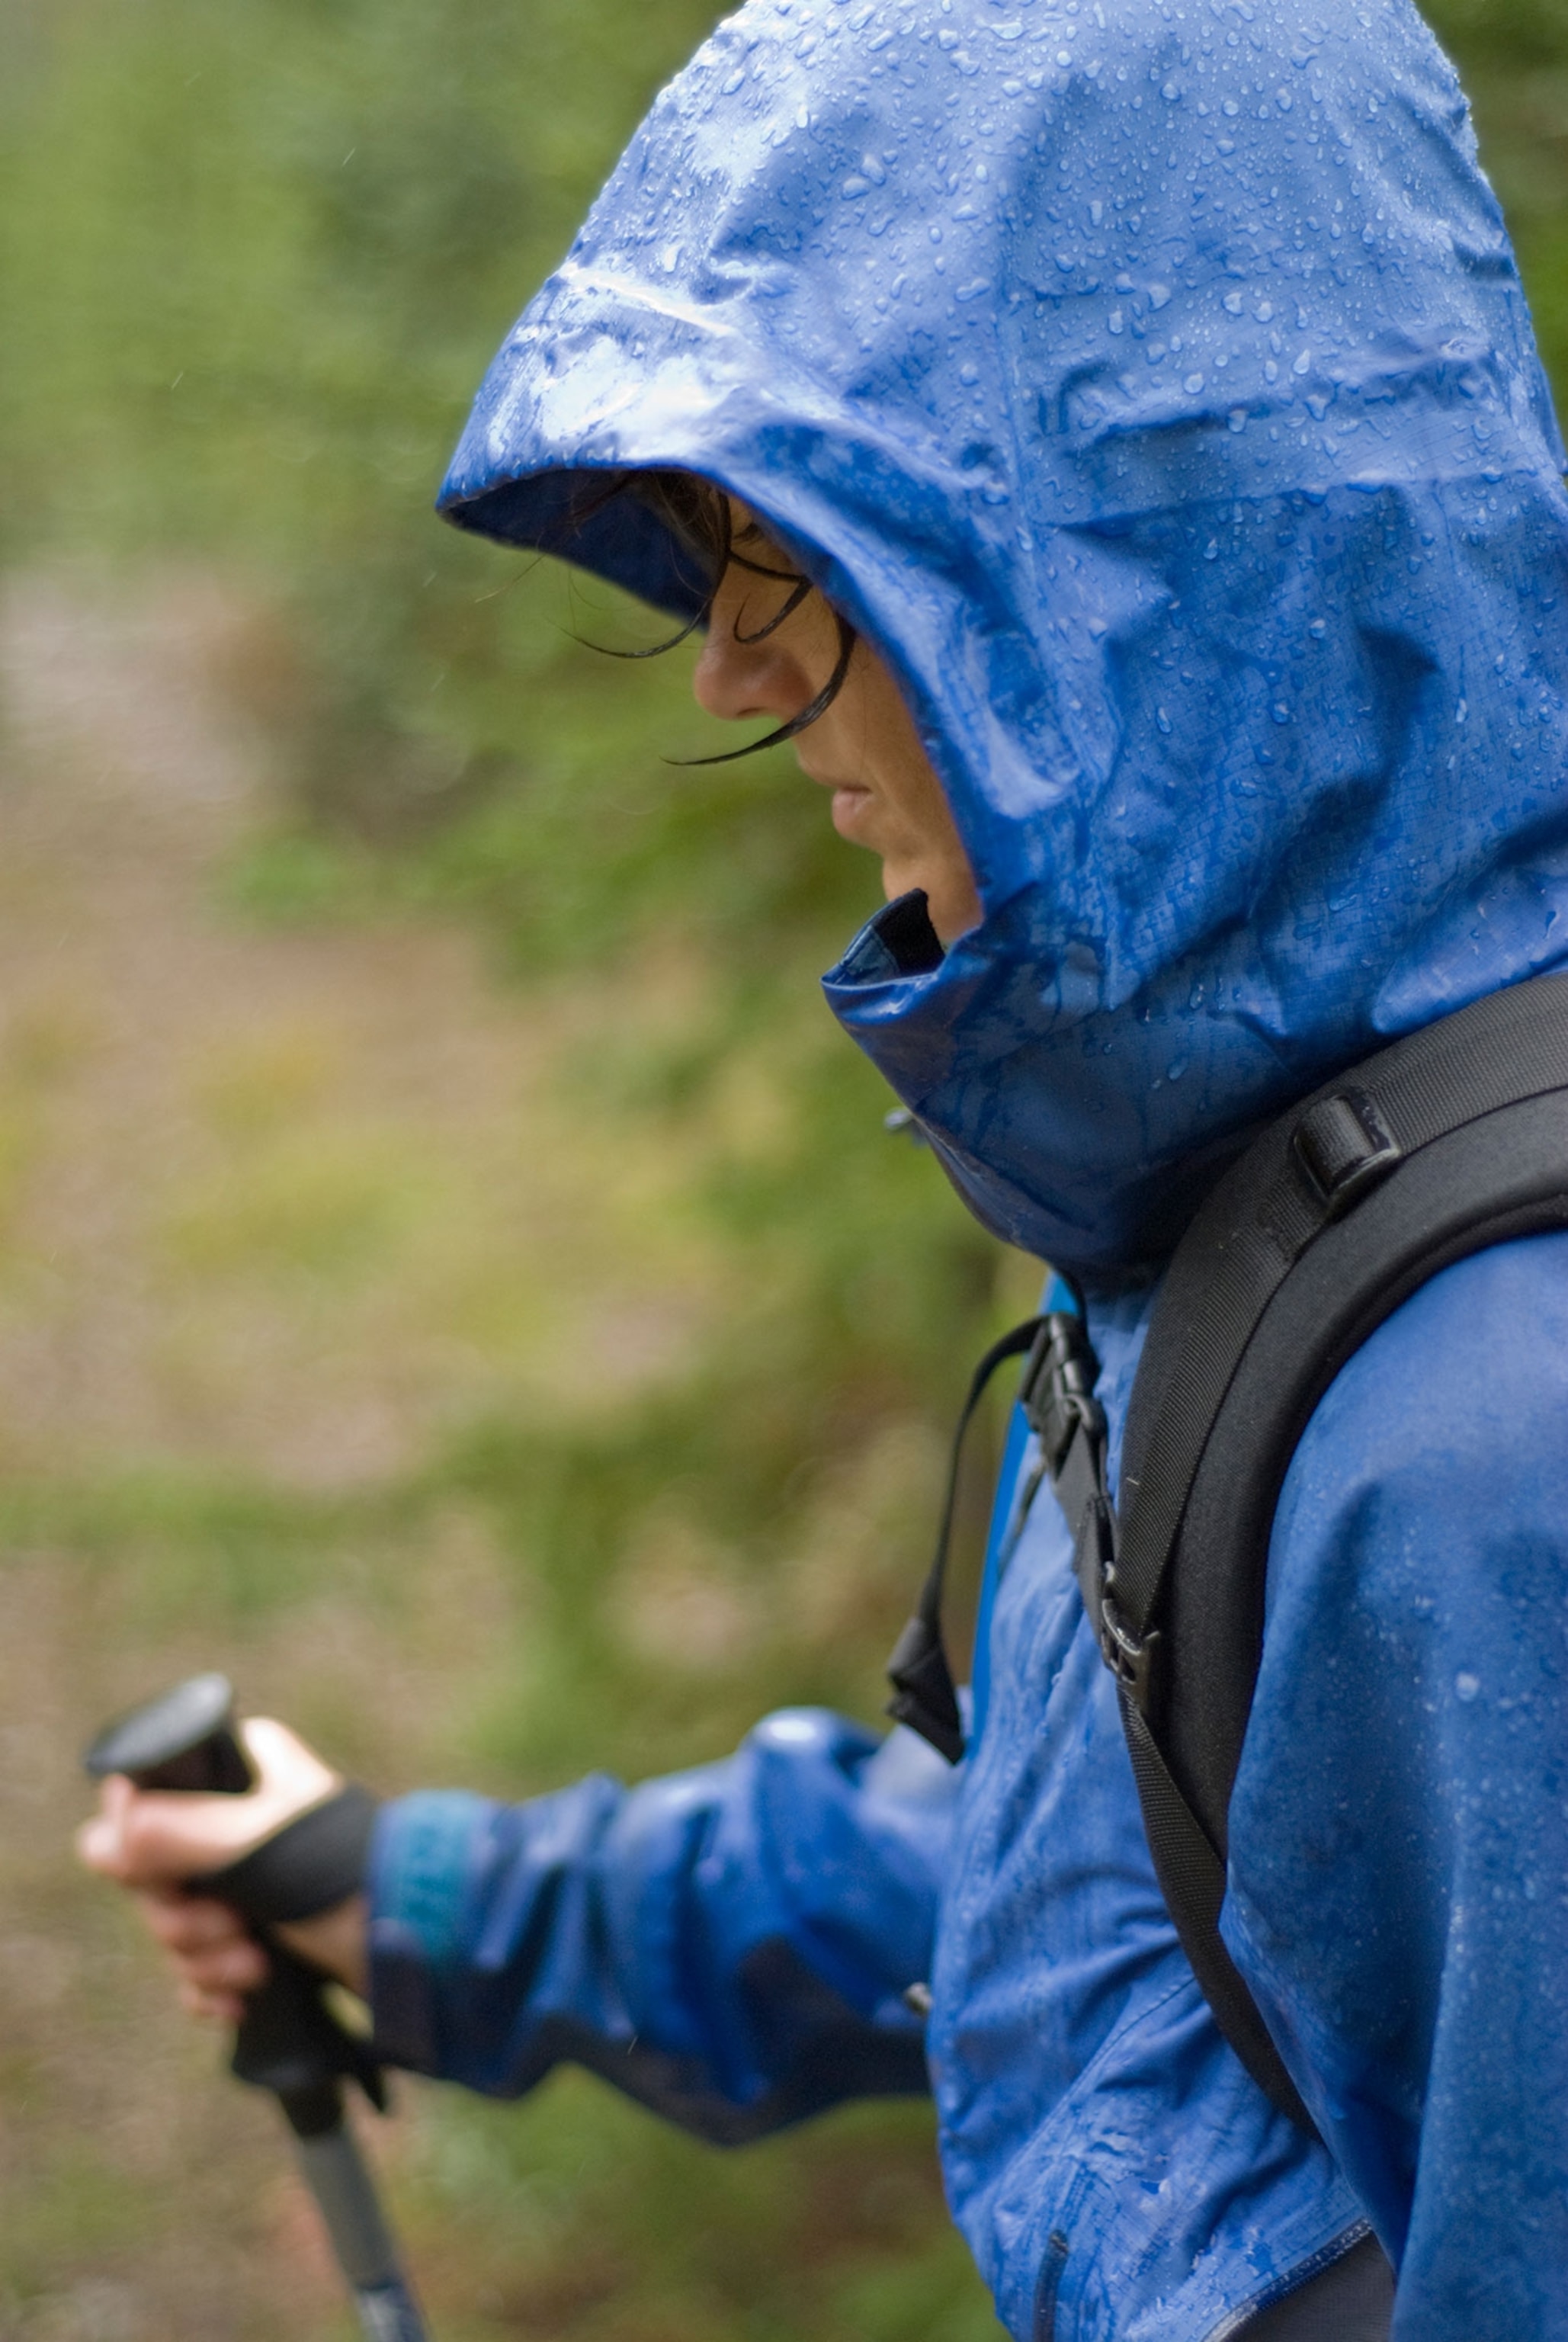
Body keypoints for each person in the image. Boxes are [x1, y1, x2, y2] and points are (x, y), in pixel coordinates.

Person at [78, 0, 1568, 2331]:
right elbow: (1111, 1899)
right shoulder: (1260, 1209)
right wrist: (432, 1899)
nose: (726, 677)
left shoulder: (1489, 1452)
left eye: (803, 559)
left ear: (1120, 586)